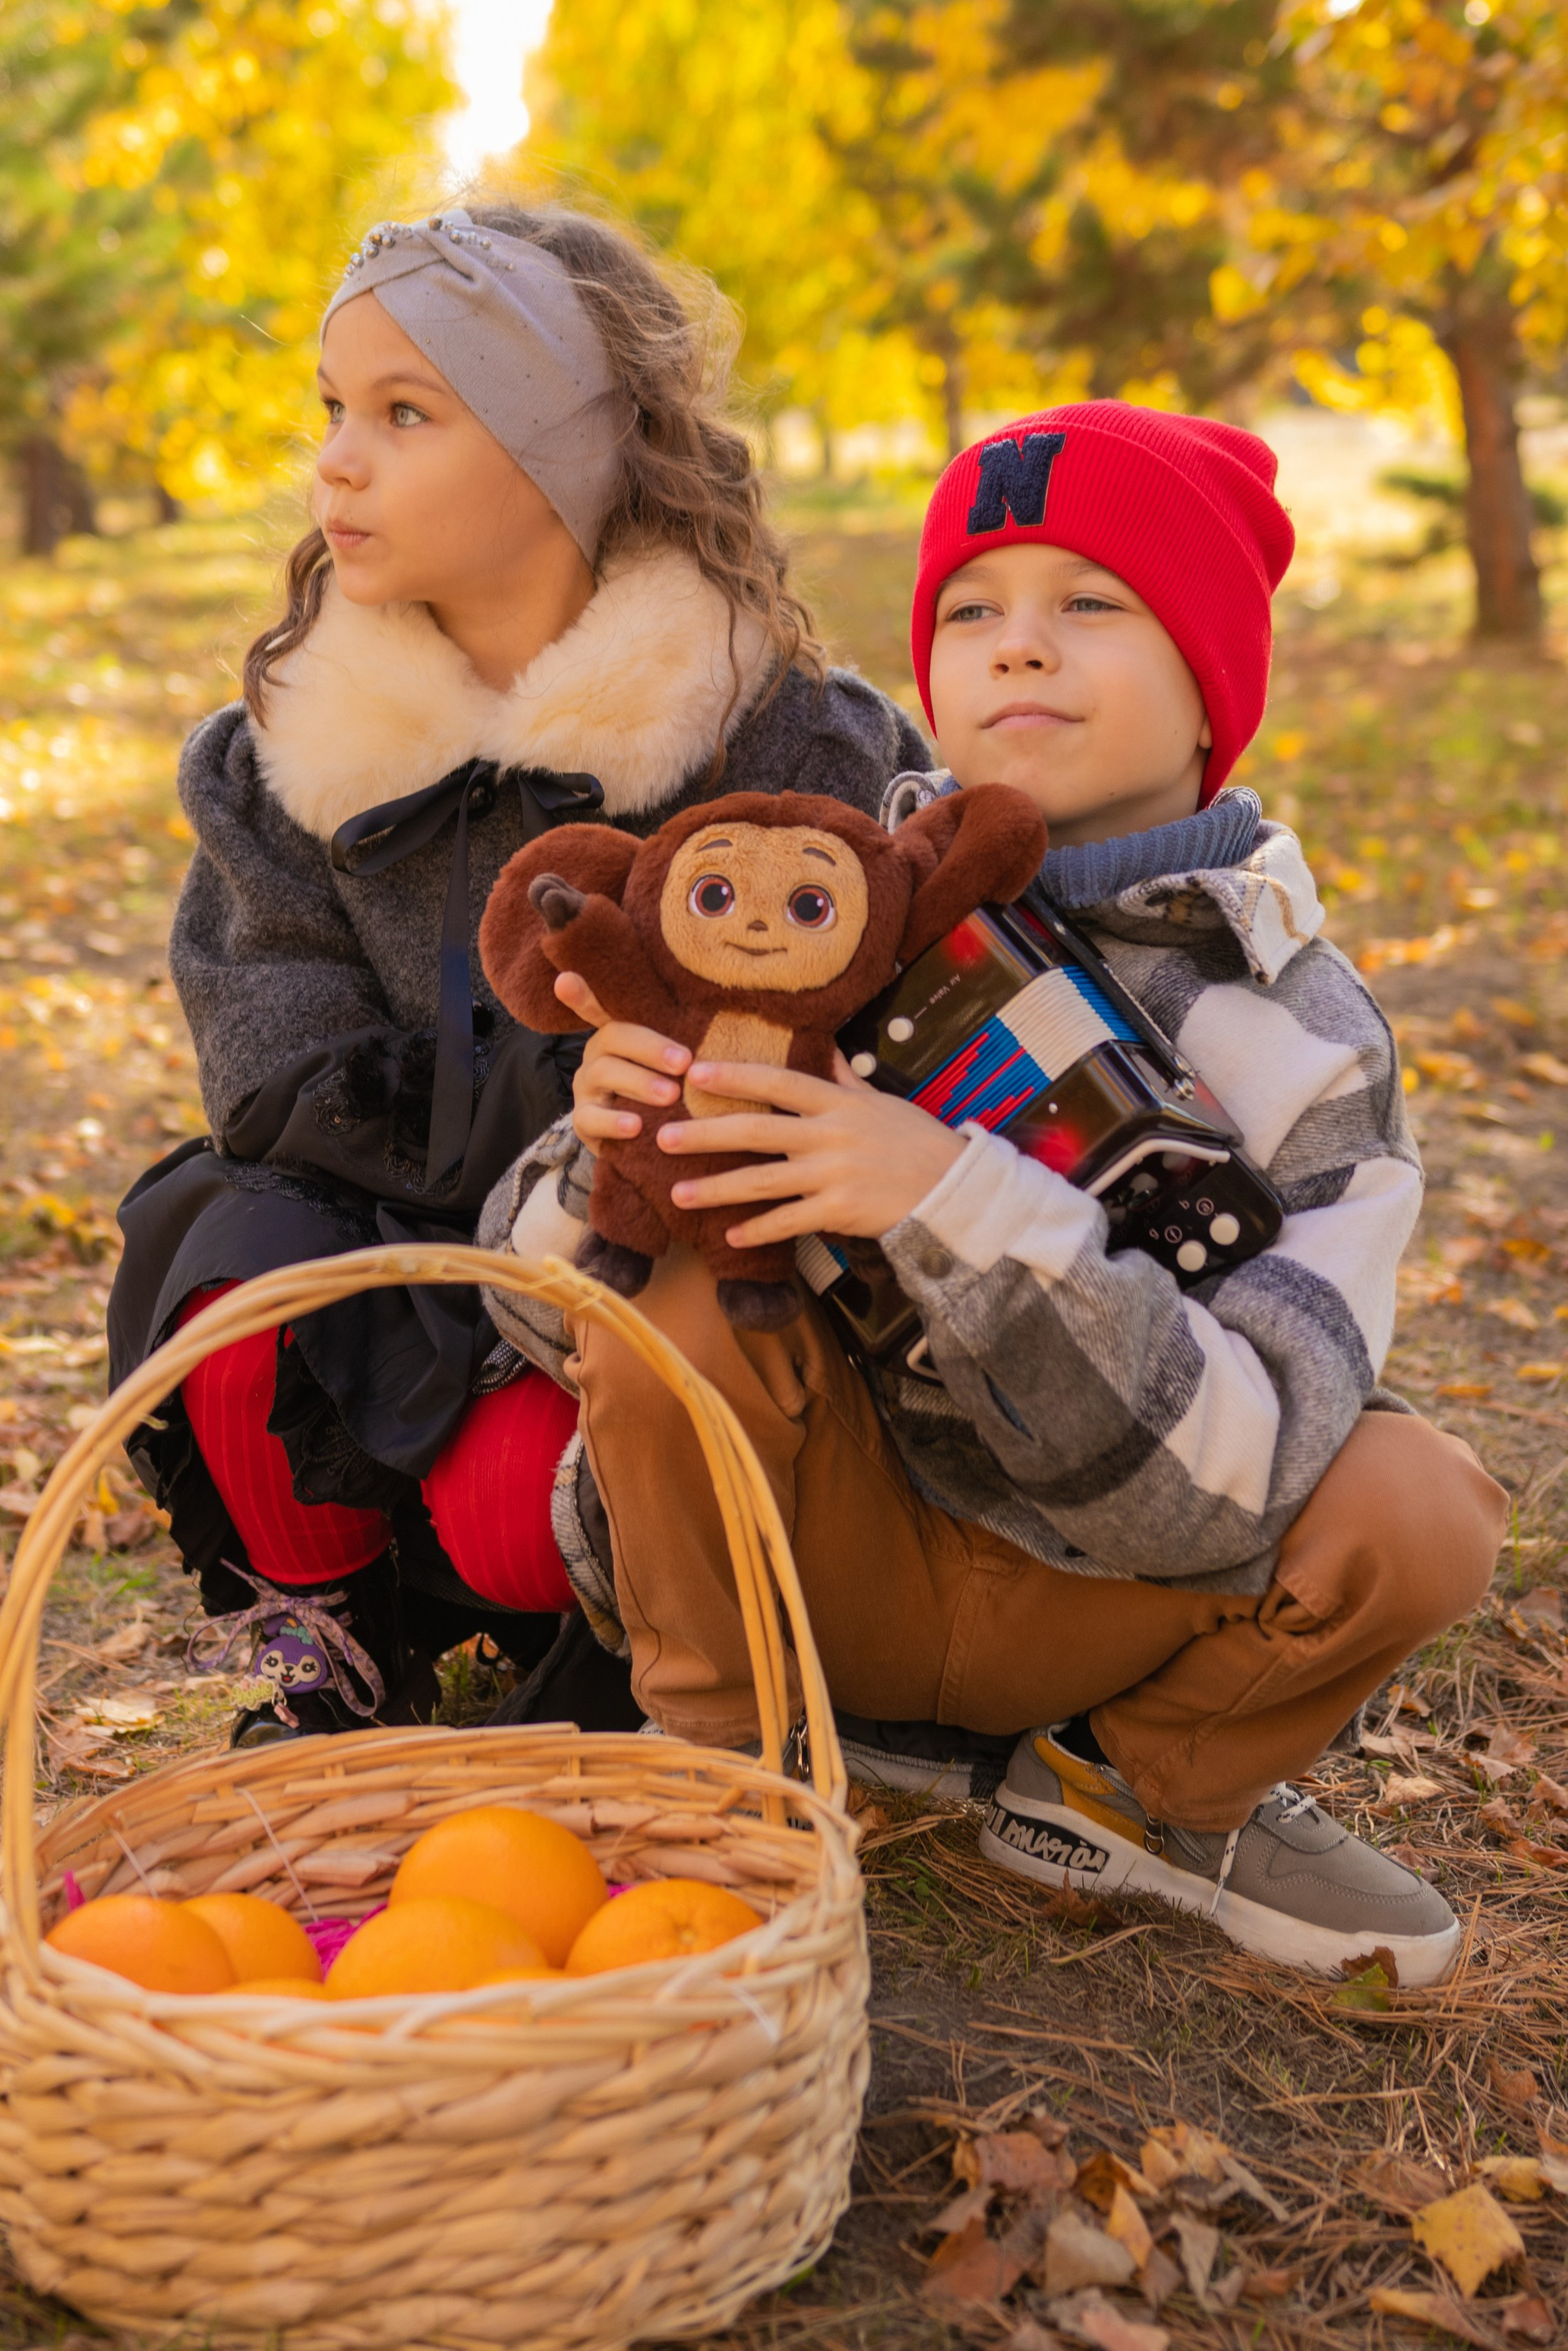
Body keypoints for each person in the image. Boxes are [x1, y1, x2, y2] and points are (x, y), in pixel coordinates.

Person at [483, 401, 1504, 1981]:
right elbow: (539, 1320)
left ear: (1209, 681)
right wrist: (601, 1154)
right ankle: (722, 1776)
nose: (1016, 650)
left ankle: (1127, 1789)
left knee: (1415, 1508)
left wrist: (949, 1197)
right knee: (681, 1307)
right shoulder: (815, 905)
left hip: (1117, 1597)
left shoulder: (1293, 1035)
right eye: (971, 612)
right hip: (825, 1557)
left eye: (1088, 603)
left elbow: (1233, 1478)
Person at [105, 202, 930, 1744]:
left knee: (518, 1506)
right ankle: (330, 1655)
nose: (336, 460)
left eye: (404, 414)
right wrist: (496, 1123)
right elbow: (272, 1048)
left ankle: (634, 1644)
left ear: (565, 458)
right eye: (332, 410)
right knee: (226, 1261)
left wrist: (613, 1132)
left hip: (635, 1243)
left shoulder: (774, 739)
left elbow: (871, 1020)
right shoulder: (291, 749)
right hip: (388, 1223)